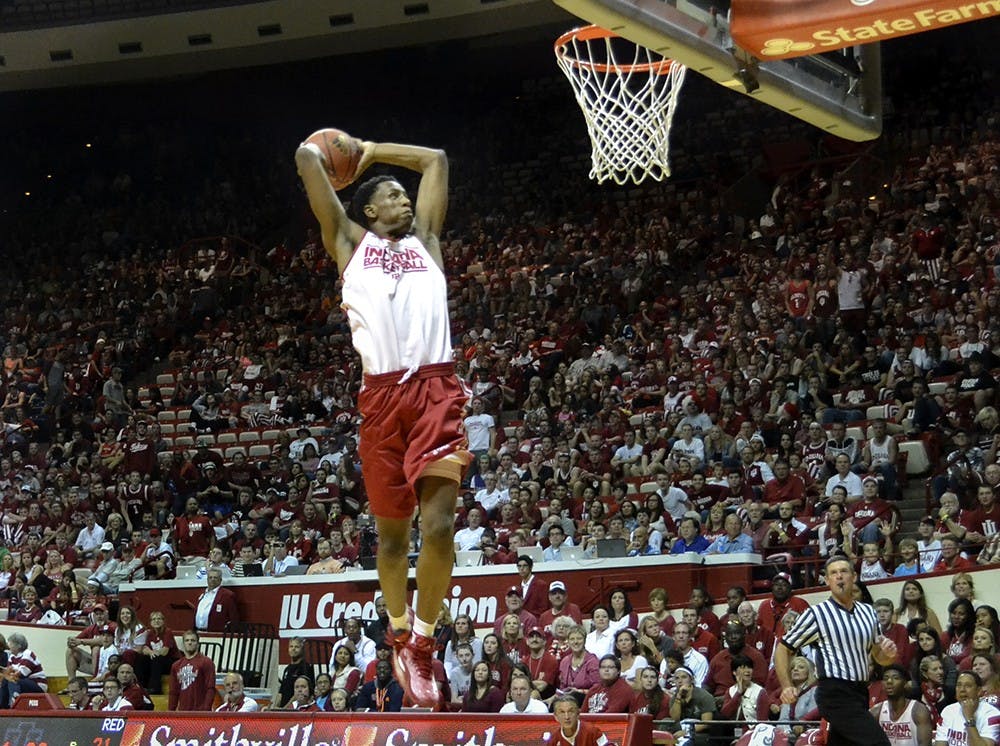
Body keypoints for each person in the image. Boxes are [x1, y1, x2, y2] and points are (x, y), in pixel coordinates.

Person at [297, 136, 472, 711]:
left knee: (440, 526)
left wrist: (370, 151)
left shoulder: (427, 241)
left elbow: (436, 160)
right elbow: (307, 160)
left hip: (437, 390)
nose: (405, 198)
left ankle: (423, 643)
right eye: (393, 196)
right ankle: (397, 630)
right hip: (381, 400)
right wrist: (329, 150)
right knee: (393, 540)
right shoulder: (349, 243)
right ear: (369, 211)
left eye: (405, 195)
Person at [777, 556, 898, 746]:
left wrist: (888, 655)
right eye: (833, 573)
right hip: (834, 693)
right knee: (878, 743)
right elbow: (784, 648)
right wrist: (786, 685)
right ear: (827, 581)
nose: (839, 576)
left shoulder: (868, 612)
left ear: (854, 576)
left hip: (859, 692)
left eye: (844, 571)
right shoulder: (817, 614)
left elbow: (878, 656)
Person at [871, 664, 932, 746]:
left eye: (895, 678)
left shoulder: (919, 711)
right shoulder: (875, 712)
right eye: (885, 678)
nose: (889, 681)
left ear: (905, 683)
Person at [934, 670, 1000, 745]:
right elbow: (940, 743)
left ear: (978, 691)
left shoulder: (992, 714)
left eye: (968, 685)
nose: (962, 690)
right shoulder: (948, 711)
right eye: (959, 685)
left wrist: (969, 718)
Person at [168, 630, 217, 711]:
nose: (189, 643)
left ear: (198, 644)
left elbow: (210, 688)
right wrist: (170, 711)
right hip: (183, 712)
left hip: (200, 712)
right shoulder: (176, 665)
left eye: (193, 640)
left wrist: (206, 710)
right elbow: (173, 692)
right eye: (187, 640)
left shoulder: (206, 662)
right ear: (183, 643)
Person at [0, 632, 47, 708]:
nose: (8, 646)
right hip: (23, 682)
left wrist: (8, 673)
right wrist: (7, 674)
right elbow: (9, 673)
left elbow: (22, 673)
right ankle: (2, 706)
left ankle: (14, 704)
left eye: (10, 643)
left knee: (13, 680)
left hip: (37, 684)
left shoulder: (28, 653)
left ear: (18, 645)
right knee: (6, 680)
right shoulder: (12, 656)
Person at [192, 567, 239, 632]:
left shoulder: (228, 595)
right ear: (207, 579)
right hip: (197, 633)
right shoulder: (202, 595)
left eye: (215, 577)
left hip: (216, 634)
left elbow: (234, 618)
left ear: (220, 580)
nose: (212, 579)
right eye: (210, 577)